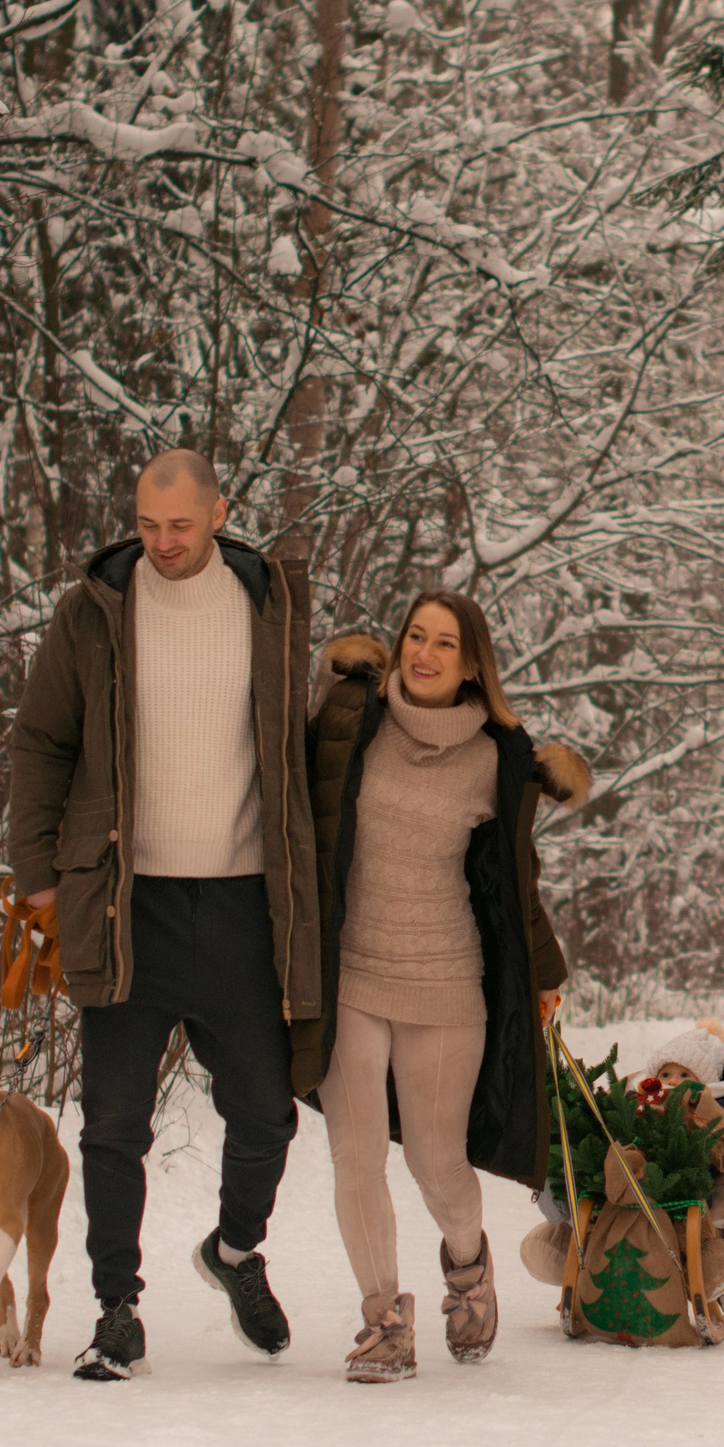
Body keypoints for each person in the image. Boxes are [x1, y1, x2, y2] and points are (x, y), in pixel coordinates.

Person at [8, 449, 319, 1381]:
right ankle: (116, 1308)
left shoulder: (271, 605)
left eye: (180, 524)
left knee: (266, 1113)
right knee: (112, 1124)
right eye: (147, 525)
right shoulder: (94, 612)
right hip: (123, 902)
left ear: (219, 512)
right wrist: (37, 877)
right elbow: (41, 741)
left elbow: (296, 747)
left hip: (238, 903)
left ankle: (234, 1253)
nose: (163, 542)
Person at [300, 592, 586, 1382]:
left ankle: (468, 1267)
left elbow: (510, 880)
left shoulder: (497, 759)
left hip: (446, 979)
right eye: (415, 637)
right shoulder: (353, 723)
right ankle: (385, 1319)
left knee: (436, 1162)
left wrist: (543, 973)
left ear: (471, 664)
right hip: (351, 972)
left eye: (445, 643)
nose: (425, 653)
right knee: (354, 1155)